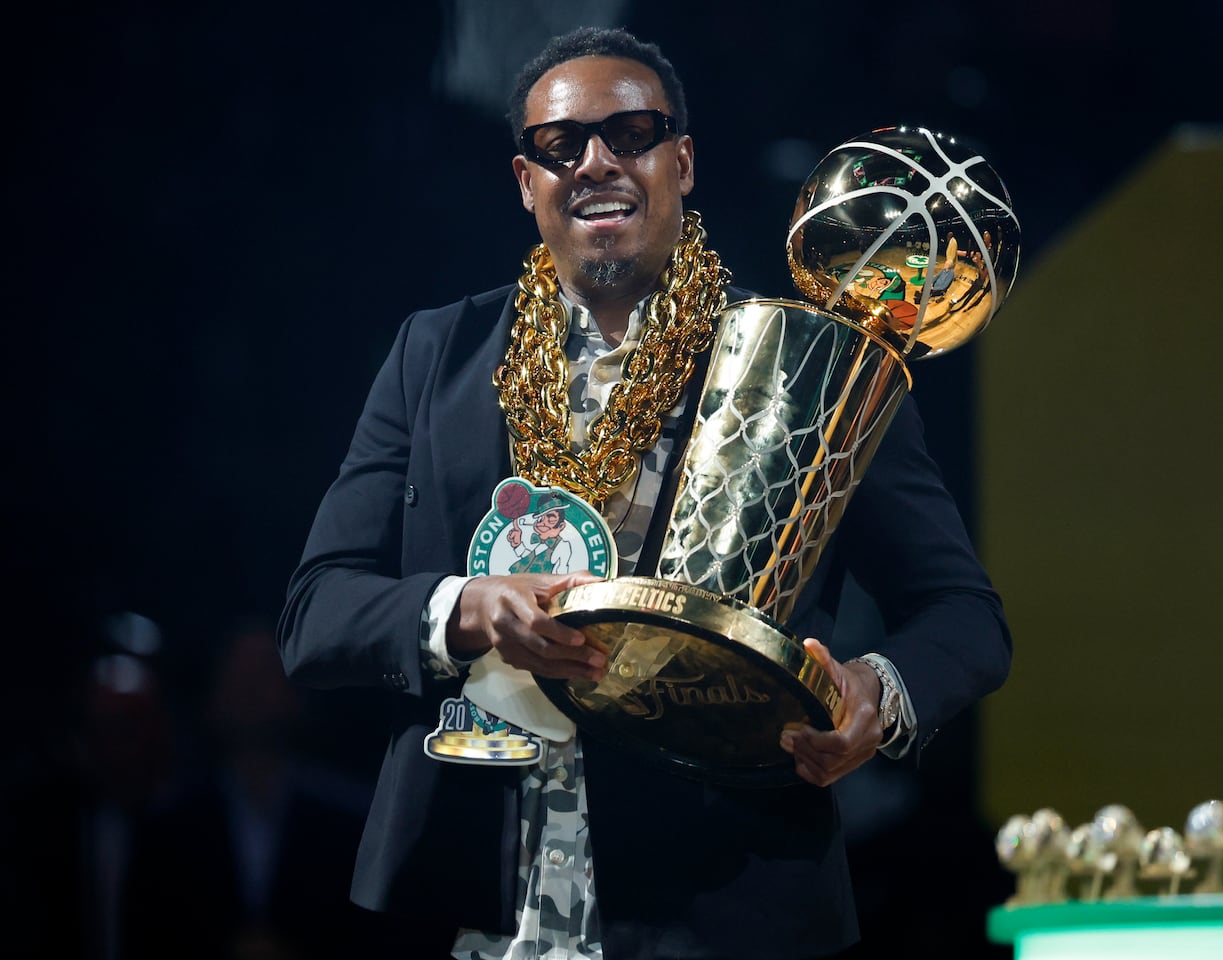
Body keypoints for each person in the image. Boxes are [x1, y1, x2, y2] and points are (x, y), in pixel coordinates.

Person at [278, 25, 1010, 960]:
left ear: (684, 162)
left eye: (631, 134)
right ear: (524, 182)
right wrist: (466, 607)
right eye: (560, 144)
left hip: (719, 893)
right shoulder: (436, 357)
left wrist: (878, 690)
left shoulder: (808, 368)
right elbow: (316, 611)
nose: (596, 162)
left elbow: (964, 614)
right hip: (475, 901)